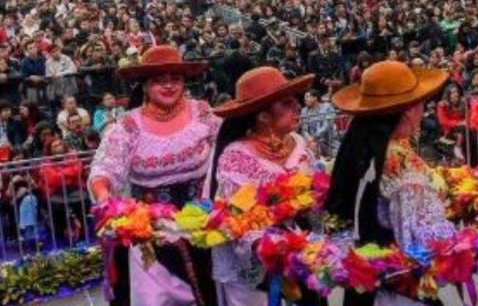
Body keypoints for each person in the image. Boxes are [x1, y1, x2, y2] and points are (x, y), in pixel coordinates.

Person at [88, 45, 221, 306]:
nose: (168, 85)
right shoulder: (128, 126)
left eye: (175, 79)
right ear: (145, 86)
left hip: (204, 226)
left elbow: (228, 152)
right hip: (150, 231)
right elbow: (105, 169)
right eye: (159, 80)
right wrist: (106, 198)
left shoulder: (203, 113)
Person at [326, 60, 454, 305]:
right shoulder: (399, 160)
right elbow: (421, 240)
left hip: (365, 277)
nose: (423, 108)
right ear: (407, 110)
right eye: (420, 101)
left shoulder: (364, 145)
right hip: (396, 283)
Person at [206, 67, 321, 306]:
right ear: (263, 116)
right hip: (259, 268)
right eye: (287, 103)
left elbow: (313, 196)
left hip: (302, 256)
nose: (297, 107)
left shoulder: (300, 145)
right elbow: (234, 217)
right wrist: (268, 246)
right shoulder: (236, 156)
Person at [300, 89, 337, 158]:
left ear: (315, 98)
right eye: (305, 97)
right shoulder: (304, 110)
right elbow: (304, 128)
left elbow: (328, 124)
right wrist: (309, 138)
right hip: (313, 143)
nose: (305, 99)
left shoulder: (327, 107)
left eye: (307, 97)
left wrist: (315, 137)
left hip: (329, 140)